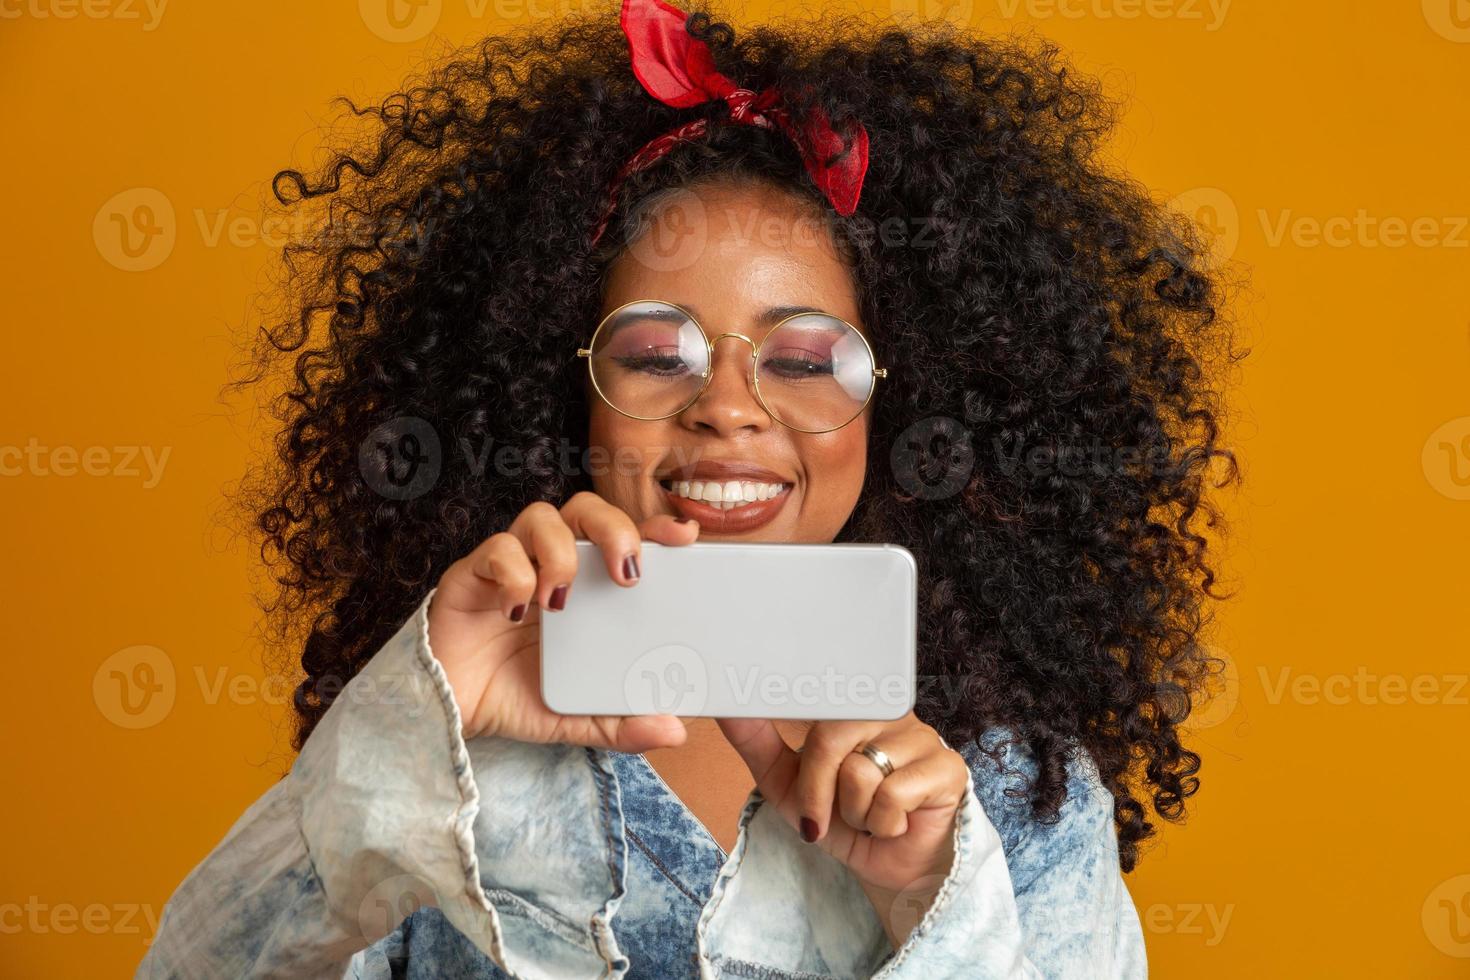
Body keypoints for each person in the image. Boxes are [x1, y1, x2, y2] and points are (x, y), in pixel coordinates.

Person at [139, 0, 1238, 975]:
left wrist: (926, 897)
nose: (727, 405)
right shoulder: (448, 759)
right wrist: (400, 737)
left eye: (807, 360)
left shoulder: (1012, 799)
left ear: (901, 404)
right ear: (563, 390)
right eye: (656, 353)